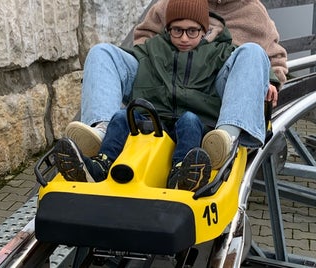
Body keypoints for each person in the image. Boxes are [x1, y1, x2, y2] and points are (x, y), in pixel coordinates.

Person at [55, 0, 278, 191]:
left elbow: (267, 59)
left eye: (192, 32)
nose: (183, 37)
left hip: (206, 102)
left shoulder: (242, 23)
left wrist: (268, 80)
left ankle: (225, 138)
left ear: (204, 32)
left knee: (253, 52)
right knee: (101, 52)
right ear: (169, 30)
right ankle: (101, 133)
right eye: (177, 31)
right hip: (158, 99)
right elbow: (142, 41)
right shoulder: (162, 32)